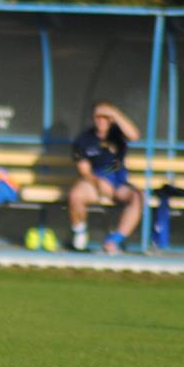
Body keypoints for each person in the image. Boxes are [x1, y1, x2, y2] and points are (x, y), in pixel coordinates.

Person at [68, 101, 141, 254]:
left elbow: (134, 135)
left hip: (118, 179)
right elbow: (84, 170)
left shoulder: (117, 134)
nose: (101, 120)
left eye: (105, 117)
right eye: (98, 117)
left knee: (138, 197)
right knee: (75, 195)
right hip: (96, 179)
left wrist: (115, 113)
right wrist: (97, 182)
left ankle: (114, 241)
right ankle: (80, 235)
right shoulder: (85, 139)